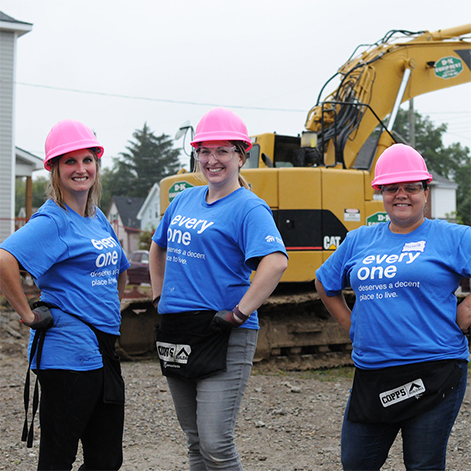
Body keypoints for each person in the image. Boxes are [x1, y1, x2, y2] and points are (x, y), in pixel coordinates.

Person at [315, 143, 471, 471]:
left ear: (425, 191)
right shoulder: (360, 240)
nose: (401, 195)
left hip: (435, 369)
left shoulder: (453, 237)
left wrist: (468, 308)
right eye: (391, 188)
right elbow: (325, 282)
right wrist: (350, 325)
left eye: (411, 187)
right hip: (373, 372)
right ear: (380, 192)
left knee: (423, 464)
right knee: (356, 462)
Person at [149, 107, 288, 470]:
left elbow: (275, 262)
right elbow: (157, 246)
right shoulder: (184, 199)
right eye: (204, 151)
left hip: (222, 330)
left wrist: (240, 313)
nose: (212, 160)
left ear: (242, 156)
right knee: (195, 441)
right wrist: (158, 296)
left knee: (215, 441)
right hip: (178, 329)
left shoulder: (248, 208)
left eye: (223, 151)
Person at [0, 119, 129, 470]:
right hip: (67, 353)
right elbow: (4, 260)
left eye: (87, 160)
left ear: (97, 165)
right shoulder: (53, 220)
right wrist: (27, 315)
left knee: (106, 459)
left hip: (103, 348)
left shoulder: (96, 216)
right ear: (54, 169)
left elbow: (120, 267)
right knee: (58, 459)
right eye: (69, 161)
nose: (80, 169)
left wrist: (109, 306)